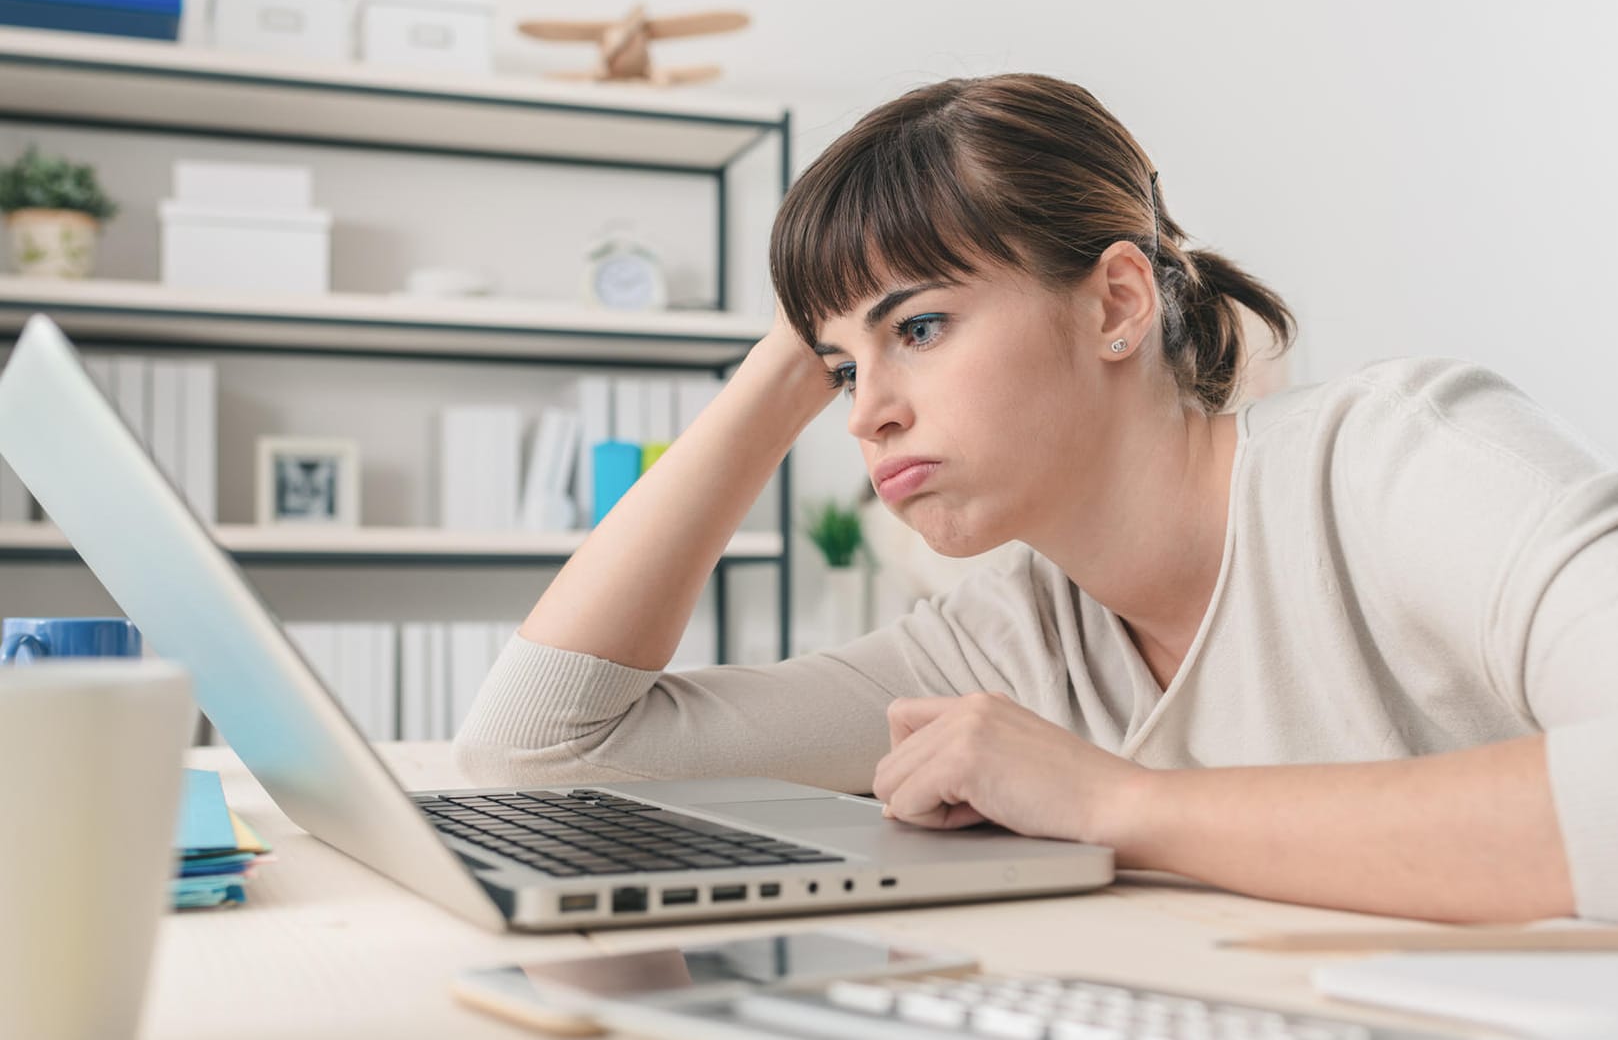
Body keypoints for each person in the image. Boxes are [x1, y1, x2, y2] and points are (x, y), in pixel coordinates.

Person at [455, 73, 1617, 923]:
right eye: (844, 370)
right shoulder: (1003, 637)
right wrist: (786, 353)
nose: (864, 414)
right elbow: (545, 750)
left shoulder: (1396, 462)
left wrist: (1119, 802)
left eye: (920, 326)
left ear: (1116, 302)